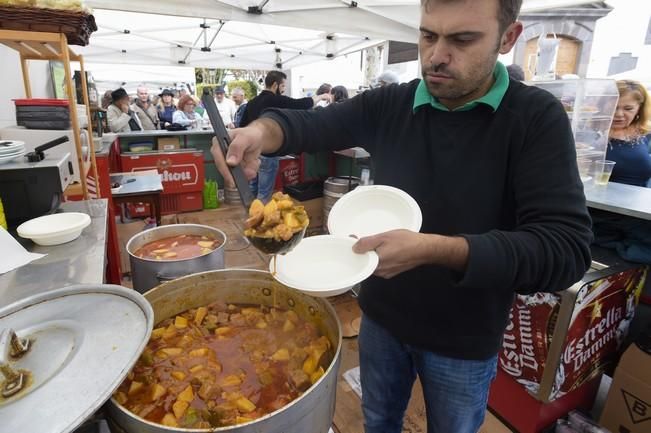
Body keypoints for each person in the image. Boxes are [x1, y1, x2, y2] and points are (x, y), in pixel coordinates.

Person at [226, 1, 592, 432]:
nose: (436, 55)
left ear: (508, 38)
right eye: (427, 35)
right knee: (379, 420)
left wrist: (436, 249)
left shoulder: (534, 118)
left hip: (465, 335)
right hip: (382, 316)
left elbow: (565, 248)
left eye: (462, 39)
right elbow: (309, 125)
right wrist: (259, 132)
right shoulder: (391, 104)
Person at [238, 70, 331, 203]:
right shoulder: (276, 100)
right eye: (282, 86)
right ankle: (259, 220)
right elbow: (301, 104)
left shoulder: (252, 102)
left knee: (252, 187)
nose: (283, 90)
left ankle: (249, 215)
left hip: (252, 152)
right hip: (268, 153)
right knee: (264, 192)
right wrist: (320, 97)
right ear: (275, 85)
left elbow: (242, 125)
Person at [605, 80, 651, 187]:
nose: (619, 114)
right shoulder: (590, 133)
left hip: (636, 202)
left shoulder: (645, 134)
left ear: (639, 109)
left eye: (628, 108)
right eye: (614, 107)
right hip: (595, 202)